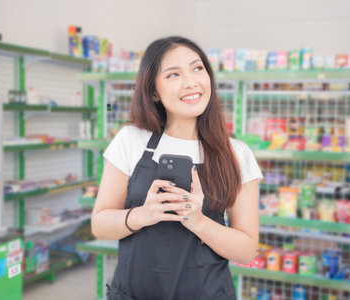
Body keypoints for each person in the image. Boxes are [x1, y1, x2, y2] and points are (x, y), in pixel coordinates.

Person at [91, 36, 262, 300]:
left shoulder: (236, 154)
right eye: (173, 74)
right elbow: (100, 225)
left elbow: (246, 250)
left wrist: (197, 222)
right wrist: (140, 215)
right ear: (154, 91)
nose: (191, 81)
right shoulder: (130, 140)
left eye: (197, 68)